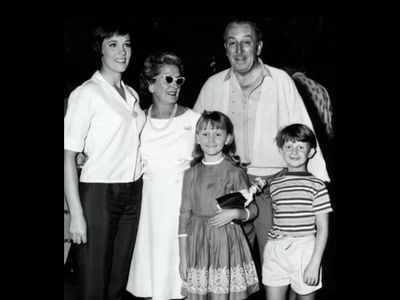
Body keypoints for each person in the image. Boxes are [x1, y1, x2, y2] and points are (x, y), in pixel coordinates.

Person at [193, 19, 330, 266]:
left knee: (279, 262)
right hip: (229, 186)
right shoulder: (212, 86)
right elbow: (193, 137)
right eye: (232, 43)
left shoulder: (281, 82)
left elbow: (304, 130)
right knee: (230, 263)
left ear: (259, 47)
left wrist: (316, 183)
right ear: (225, 48)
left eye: (246, 42)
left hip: (273, 186)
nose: (239, 50)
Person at [64, 20, 146, 300]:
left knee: (117, 283)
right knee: (94, 283)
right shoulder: (86, 93)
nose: (122, 51)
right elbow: (68, 157)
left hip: (133, 191)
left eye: (127, 44)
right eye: (113, 44)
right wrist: (76, 215)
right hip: (99, 193)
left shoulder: (132, 94)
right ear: (99, 50)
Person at [125, 52, 201, 300]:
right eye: (168, 79)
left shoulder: (195, 120)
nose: (174, 86)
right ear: (149, 83)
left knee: (181, 284)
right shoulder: (137, 121)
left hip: (181, 212)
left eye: (179, 81)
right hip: (147, 212)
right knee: (150, 282)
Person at [178, 111, 260, 300]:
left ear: (228, 138)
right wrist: (183, 258)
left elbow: (253, 209)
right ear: (197, 138)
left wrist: (235, 213)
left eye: (218, 133)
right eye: (205, 134)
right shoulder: (191, 174)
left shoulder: (234, 172)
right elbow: (184, 216)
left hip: (227, 244)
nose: (211, 139)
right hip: (199, 243)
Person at [262, 123, 332, 300]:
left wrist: (315, 263)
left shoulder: (317, 185)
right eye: (289, 146)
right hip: (276, 250)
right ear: (281, 150)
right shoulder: (275, 184)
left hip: (304, 250)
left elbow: (323, 228)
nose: (294, 151)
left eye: (300, 147)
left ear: (311, 152)